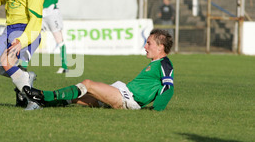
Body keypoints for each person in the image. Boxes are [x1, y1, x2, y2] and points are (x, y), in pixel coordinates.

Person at [23, 29, 174, 111]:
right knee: (79, 97)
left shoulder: (164, 64)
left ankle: (44, 94)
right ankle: (41, 103)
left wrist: (157, 110)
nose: (145, 47)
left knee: (87, 84)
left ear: (160, 47)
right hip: (123, 92)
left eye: (149, 44)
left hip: (128, 99)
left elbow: (168, 88)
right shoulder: (156, 63)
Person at [26, 0, 68, 74]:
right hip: (39, 13)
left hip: (51, 11)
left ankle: (64, 65)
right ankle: (23, 64)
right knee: (33, 37)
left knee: (58, 37)